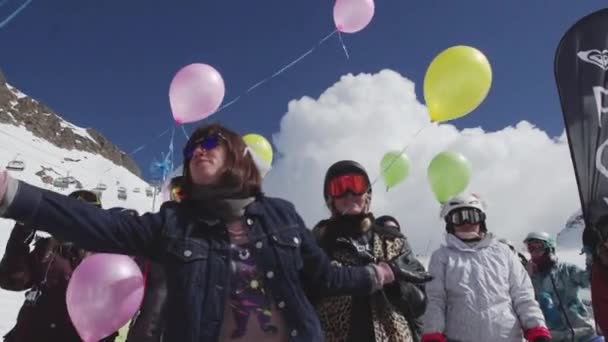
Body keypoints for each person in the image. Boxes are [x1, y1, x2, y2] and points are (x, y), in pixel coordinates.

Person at [0, 123, 412, 342]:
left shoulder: (281, 216)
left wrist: (382, 274)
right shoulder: (173, 224)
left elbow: (325, 277)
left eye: (210, 141)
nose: (197, 149)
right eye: (191, 147)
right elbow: (100, 224)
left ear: (236, 156)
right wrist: (11, 193)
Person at [311, 160, 432, 342]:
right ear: (330, 199)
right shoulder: (318, 244)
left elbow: (420, 305)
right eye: (339, 187)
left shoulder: (393, 241)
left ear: (367, 194)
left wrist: (397, 285)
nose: (349, 194)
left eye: (356, 185)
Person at [421, 193, 551, 342]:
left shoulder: (503, 252)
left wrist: (537, 329)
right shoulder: (442, 257)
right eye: (458, 218)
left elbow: (522, 295)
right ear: (450, 223)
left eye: (472, 216)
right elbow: (436, 300)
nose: (466, 222)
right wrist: (433, 333)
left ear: (481, 220)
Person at [0, 189, 117, 342]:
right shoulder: (47, 248)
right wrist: (21, 234)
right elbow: (11, 279)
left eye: (86, 215)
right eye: (71, 214)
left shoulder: (106, 259)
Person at [524, 231, 598, 341]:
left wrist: (592, 258)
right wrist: (526, 277)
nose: (534, 253)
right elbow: (524, 305)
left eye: (538, 247)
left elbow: (591, 281)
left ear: (549, 248)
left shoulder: (566, 270)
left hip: (584, 333)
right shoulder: (531, 280)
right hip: (556, 337)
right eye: (530, 249)